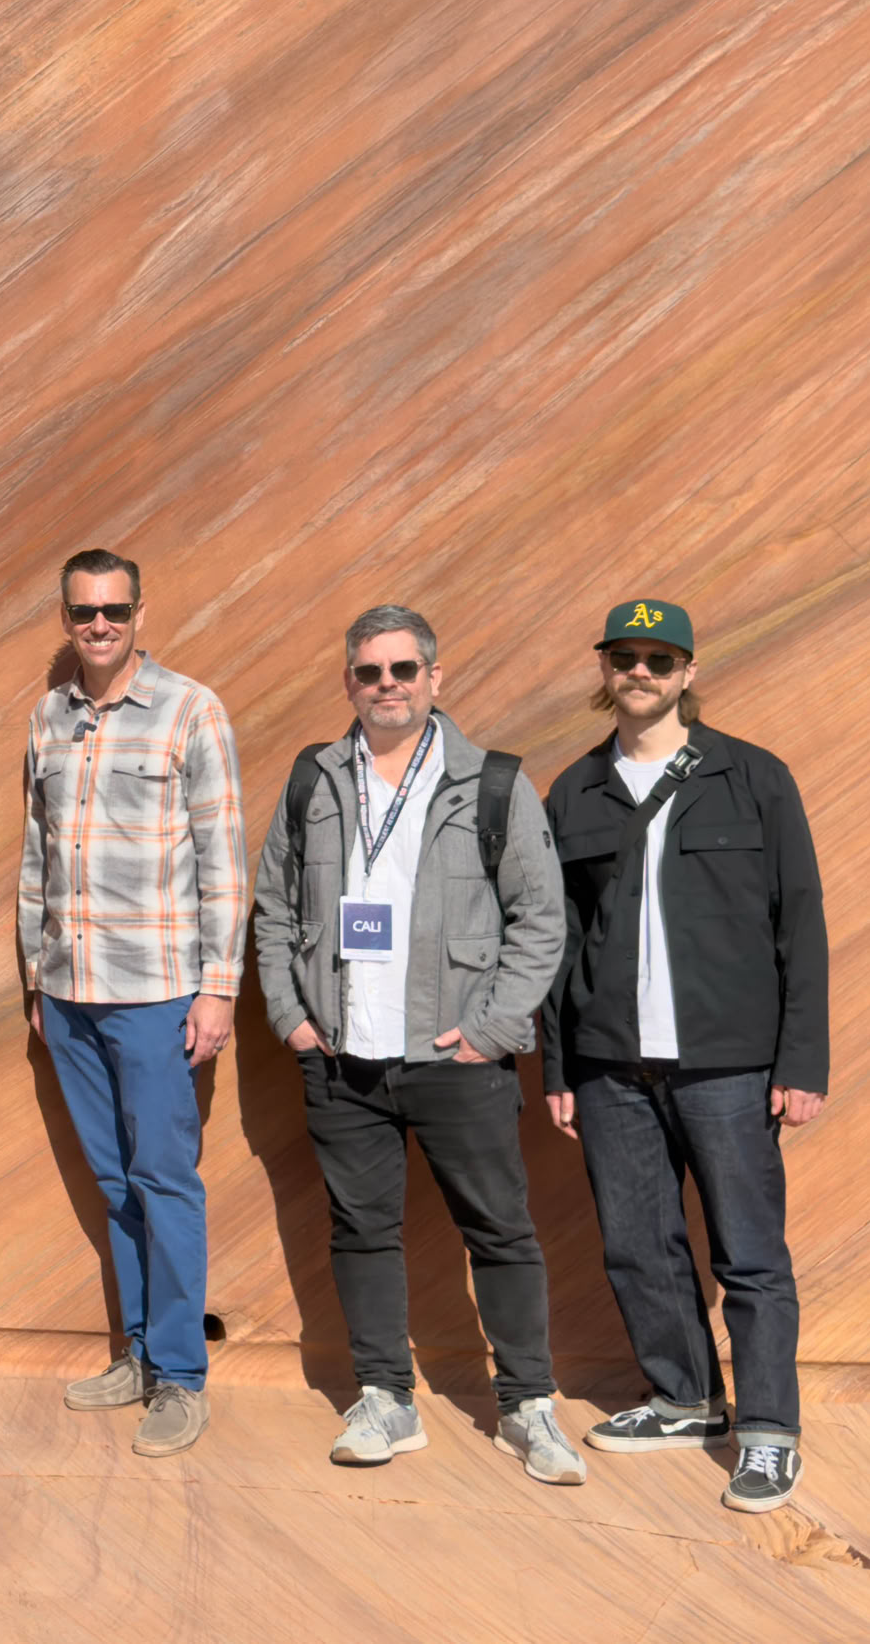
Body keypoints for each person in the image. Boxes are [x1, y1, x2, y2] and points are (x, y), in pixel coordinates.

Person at [251, 607, 581, 1483]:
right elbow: (275, 908)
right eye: (369, 672)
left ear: (436, 678)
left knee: (501, 1230)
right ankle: (385, 1399)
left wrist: (493, 1030)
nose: (386, 685)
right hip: (342, 1057)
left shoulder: (494, 783)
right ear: (349, 683)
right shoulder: (314, 779)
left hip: (454, 1057)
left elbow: (541, 922)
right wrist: (291, 1016)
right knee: (361, 1231)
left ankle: (529, 1406)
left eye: (403, 670)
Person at [541, 600, 826, 1514]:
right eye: (626, 657)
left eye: (660, 658)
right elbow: (555, 941)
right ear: (607, 670)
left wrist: (802, 1062)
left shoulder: (753, 777)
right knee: (637, 1245)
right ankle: (687, 1398)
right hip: (611, 1064)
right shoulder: (574, 790)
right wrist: (556, 1068)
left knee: (749, 1252)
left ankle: (770, 1434)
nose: (642, 671)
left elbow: (801, 927)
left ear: (688, 672)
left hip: (730, 1063)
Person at [19, 546, 245, 1458]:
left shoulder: (192, 710)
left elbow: (225, 862)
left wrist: (219, 988)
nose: (99, 625)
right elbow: (35, 858)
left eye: (114, 610)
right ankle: (141, 1353)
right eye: (83, 613)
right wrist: (38, 978)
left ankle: (181, 1377)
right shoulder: (46, 718)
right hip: (70, 991)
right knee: (114, 1184)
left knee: (164, 1180)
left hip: (157, 992)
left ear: (139, 613)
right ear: (66, 618)